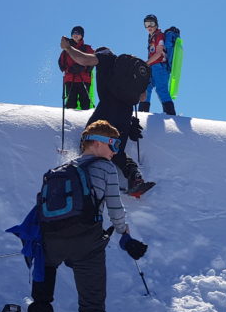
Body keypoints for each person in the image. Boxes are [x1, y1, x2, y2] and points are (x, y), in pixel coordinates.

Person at [13, 121, 146, 312]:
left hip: (51, 241)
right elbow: (115, 209)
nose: (114, 152)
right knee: (92, 310)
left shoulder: (59, 170)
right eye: (113, 145)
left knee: (46, 273)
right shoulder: (106, 169)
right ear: (96, 143)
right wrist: (125, 236)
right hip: (86, 245)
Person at [59, 35, 155, 198]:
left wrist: (68, 48)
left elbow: (84, 60)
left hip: (106, 110)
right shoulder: (128, 70)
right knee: (117, 152)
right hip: (125, 116)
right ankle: (135, 179)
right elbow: (143, 97)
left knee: (87, 142)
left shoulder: (105, 56)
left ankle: (85, 180)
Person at [137, 14, 176, 115]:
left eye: (151, 23)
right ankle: (142, 115)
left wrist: (146, 63)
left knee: (161, 89)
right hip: (152, 67)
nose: (149, 26)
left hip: (159, 67)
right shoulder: (151, 37)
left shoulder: (159, 36)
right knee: (146, 88)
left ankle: (171, 115)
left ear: (156, 24)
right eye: (146, 24)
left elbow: (159, 53)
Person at [59, 25, 94, 110]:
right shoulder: (66, 49)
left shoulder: (87, 48)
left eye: (78, 33)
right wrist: (69, 70)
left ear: (82, 35)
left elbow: (93, 60)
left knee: (85, 102)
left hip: (84, 78)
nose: (75, 35)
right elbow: (61, 64)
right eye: (74, 33)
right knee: (71, 102)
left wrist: (84, 67)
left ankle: (85, 120)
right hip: (71, 78)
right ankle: (72, 121)